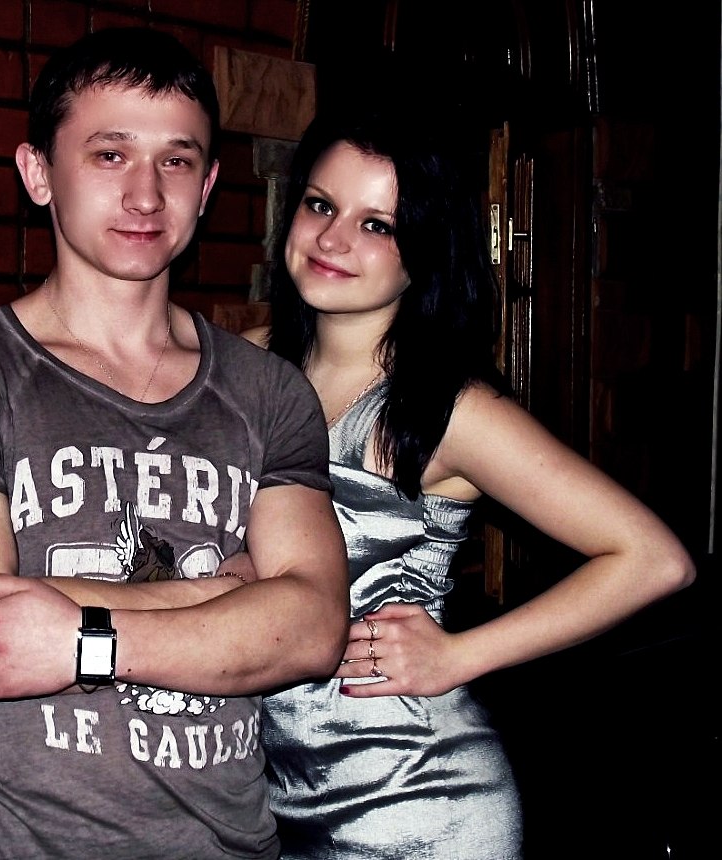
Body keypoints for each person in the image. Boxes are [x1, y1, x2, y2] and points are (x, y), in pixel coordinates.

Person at [0, 27, 349, 860]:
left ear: (207, 186)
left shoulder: (268, 391)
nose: (145, 195)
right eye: (109, 155)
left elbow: (315, 627)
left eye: (176, 161)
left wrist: (81, 639)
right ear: (38, 173)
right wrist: (228, 594)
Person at [242, 110, 697, 859]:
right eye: (321, 205)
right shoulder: (243, 368)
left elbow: (653, 560)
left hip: (416, 805)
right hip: (266, 799)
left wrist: (459, 655)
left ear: (425, 249)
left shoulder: (451, 410)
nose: (332, 239)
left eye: (377, 225)